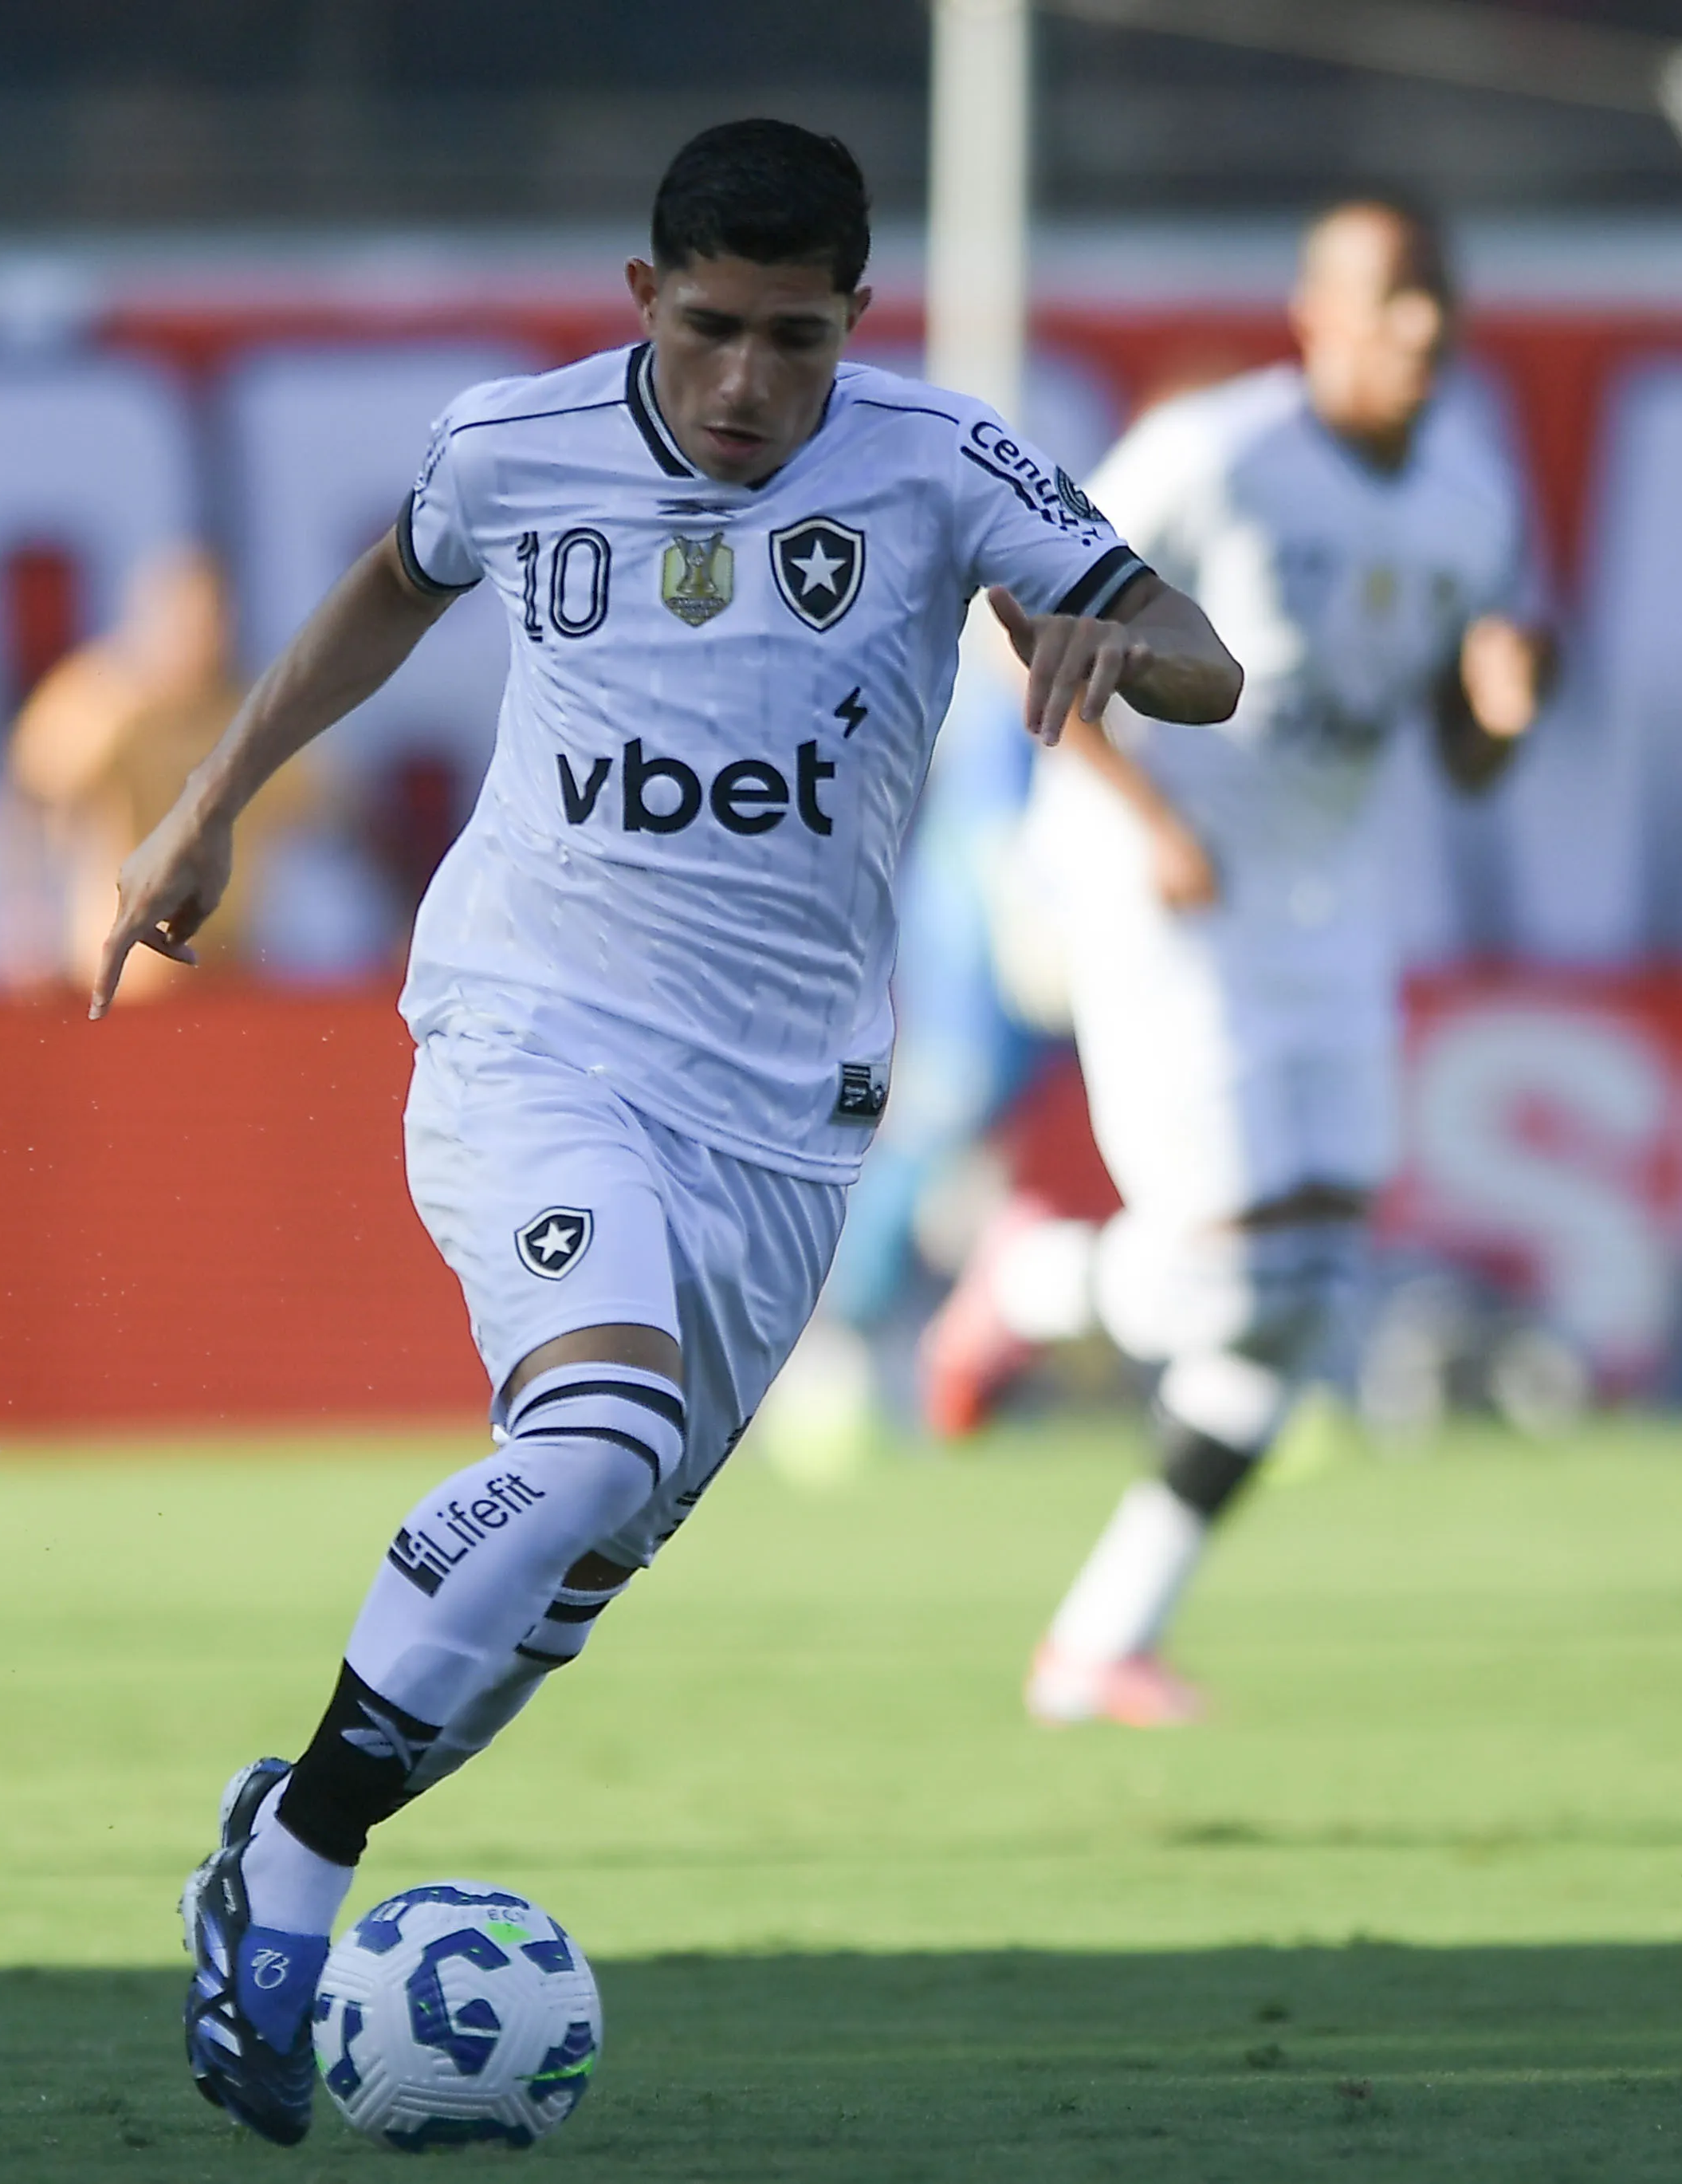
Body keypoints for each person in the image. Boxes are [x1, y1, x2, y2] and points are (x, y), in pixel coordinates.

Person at [88, 120, 1240, 2145]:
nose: (743, 381)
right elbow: (389, 586)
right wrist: (211, 802)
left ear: (852, 321)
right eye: (708, 328)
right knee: (592, 1440)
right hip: (534, 1037)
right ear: (643, 297)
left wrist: (1124, 640)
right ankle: (292, 1857)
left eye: (793, 340)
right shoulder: (511, 442)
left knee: (559, 1585)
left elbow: (1202, 659)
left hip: (783, 1129)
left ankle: (299, 1812)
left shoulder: (940, 461)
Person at [921, 198, 1556, 1728]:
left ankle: (1099, 1638)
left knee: (1308, 1294)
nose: (1419, 327)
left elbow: (1463, 757)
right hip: (1163, 883)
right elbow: (1020, 616)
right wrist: (1144, 816)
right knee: (1247, 1270)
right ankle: (1030, 1277)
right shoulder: (1217, 453)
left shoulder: (1474, 494)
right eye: (1387, 297)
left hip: (1329, 901)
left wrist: (1507, 704)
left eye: (1436, 296)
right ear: (1315, 314)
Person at [0, 548, 310, 1000]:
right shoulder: (101, 701)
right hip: (125, 978)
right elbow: (27, 805)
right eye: (181, 621)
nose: (196, 637)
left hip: (231, 971)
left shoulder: (252, 713)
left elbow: (336, 816)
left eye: (209, 621)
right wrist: (20, 913)